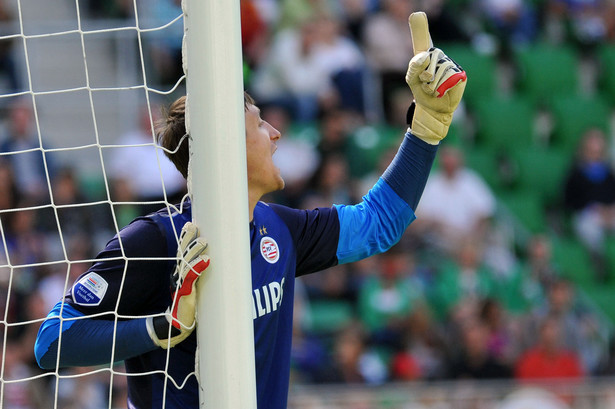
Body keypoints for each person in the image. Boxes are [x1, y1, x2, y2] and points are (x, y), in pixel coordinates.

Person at [34, 13, 467, 409]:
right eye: (260, 123)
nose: (276, 134)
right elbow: (51, 342)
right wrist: (161, 327)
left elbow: (380, 224)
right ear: (228, 148)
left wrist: (425, 128)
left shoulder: (279, 228)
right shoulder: (156, 241)